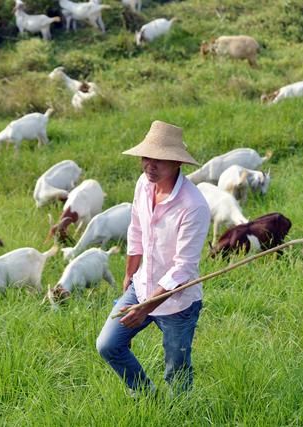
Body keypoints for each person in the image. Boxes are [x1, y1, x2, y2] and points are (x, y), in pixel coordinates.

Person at [96, 120, 211, 396]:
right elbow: (135, 229)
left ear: (176, 163)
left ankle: (179, 412)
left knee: (177, 368)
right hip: (141, 286)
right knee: (108, 345)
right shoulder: (143, 185)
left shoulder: (193, 206)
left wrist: (145, 308)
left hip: (178, 302)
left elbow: (183, 268)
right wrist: (129, 274)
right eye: (147, 157)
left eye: (159, 160)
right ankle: (148, 396)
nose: (150, 165)